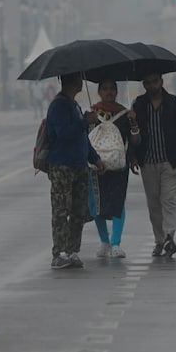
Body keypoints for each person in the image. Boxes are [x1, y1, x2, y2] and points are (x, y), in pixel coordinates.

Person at [129, 73, 176, 257]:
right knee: (154, 203)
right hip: (148, 161)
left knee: (168, 199)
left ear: (161, 81)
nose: (152, 86)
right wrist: (133, 156)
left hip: (171, 160)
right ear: (144, 85)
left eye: (155, 81)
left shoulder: (175, 103)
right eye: (148, 83)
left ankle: (169, 236)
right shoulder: (138, 105)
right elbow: (133, 135)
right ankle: (159, 241)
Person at [47, 73, 106, 269]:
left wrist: (95, 159)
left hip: (79, 165)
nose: (82, 82)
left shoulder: (74, 105)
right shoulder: (58, 106)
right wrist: (84, 121)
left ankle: (72, 251)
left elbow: (82, 138)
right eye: (79, 79)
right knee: (61, 210)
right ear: (73, 82)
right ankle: (59, 253)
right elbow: (63, 133)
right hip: (62, 166)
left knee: (79, 211)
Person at [88, 80, 140, 259]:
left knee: (118, 202)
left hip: (119, 166)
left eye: (112, 89)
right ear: (99, 92)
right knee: (96, 202)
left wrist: (133, 123)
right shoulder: (92, 112)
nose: (109, 92)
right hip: (96, 166)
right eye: (105, 89)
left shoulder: (125, 114)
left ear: (117, 92)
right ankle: (104, 241)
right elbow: (85, 139)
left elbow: (134, 142)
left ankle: (116, 243)